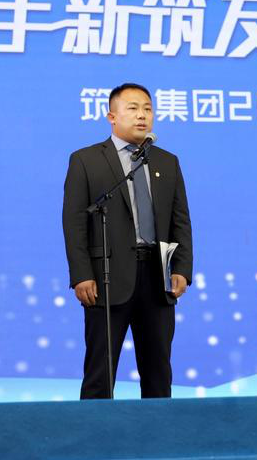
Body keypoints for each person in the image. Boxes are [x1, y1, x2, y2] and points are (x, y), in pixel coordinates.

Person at [62, 83, 193, 399]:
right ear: (112, 116)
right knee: (100, 372)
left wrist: (182, 269)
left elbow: (181, 221)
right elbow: (74, 222)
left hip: (157, 279)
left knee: (158, 372)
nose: (142, 116)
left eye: (147, 109)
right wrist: (81, 274)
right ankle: (94, 430)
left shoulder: (167, 162)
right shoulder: (86, 160)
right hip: (106, 280)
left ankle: (157, 429)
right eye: (133, 108)